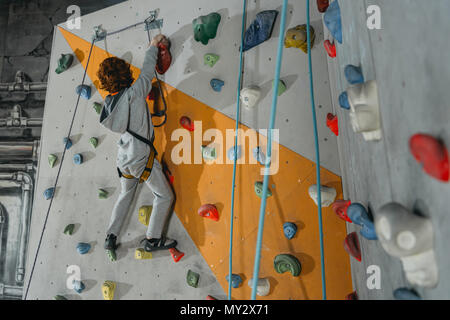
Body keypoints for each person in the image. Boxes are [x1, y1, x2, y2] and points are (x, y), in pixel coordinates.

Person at [97, 34, 176, 260]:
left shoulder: (110, 104)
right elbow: (148, 70)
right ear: (125, 74)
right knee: (164, 197)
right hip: (141, 158)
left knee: (125, 194)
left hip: (123, 158)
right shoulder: (134, 92)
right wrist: (152, 46)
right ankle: (152, 239)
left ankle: (111, 236)